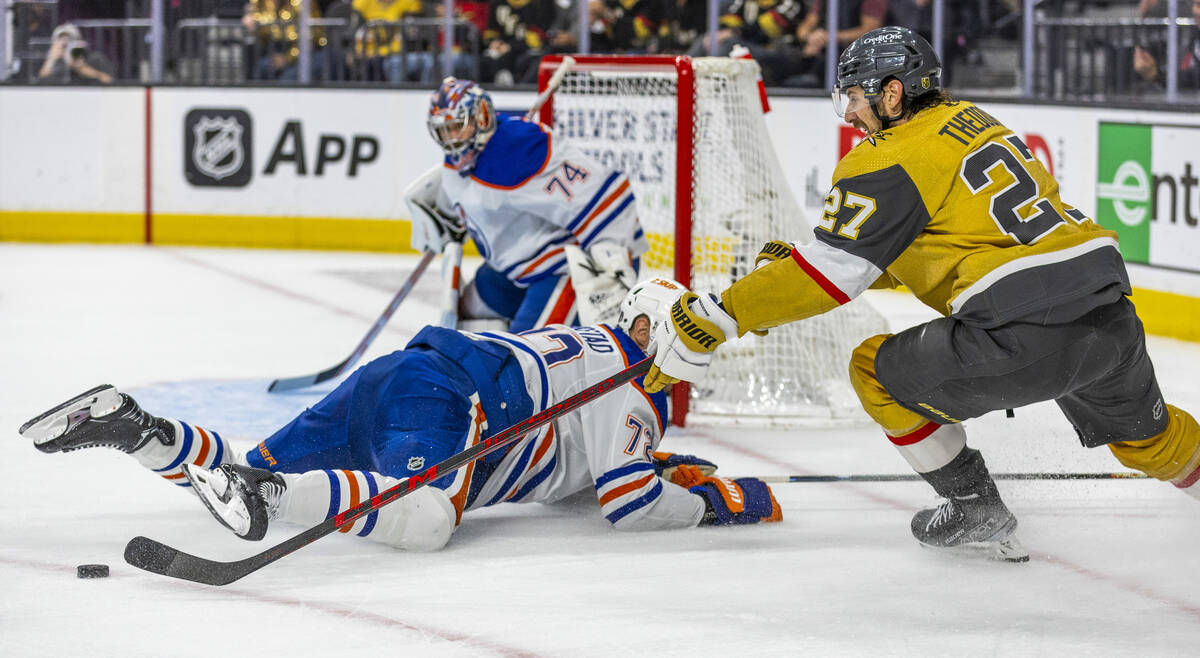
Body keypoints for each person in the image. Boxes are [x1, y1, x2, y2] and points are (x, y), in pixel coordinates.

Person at [643, 26, 1200, 562]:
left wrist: (721, 312)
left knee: (871, 370)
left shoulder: (889, 156)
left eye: (858, 97)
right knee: (1155, 443)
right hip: (1110, 318)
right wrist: (800, 269)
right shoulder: (977, 122)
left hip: (1025, 332)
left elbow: (832, 277)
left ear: (893, 92)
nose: (854, 114)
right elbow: (940, 247)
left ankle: (973, 507)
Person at [20, 280, 782, 550]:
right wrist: (718, 501)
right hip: (450, 400)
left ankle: (137, 428)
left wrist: (652, 467)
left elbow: (597, 471)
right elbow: (631, 506)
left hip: (402, 376)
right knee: (423, 520)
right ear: (653, 327)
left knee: (246, 467)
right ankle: (270, 499)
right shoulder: (630, 384)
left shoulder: (597, 353)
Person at [406, 77, 648, 333]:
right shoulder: (461, 157)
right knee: (466, 319)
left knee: (525, 359)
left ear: (482, 117)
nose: (451, 139)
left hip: (559, 268)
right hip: (514, 269)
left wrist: (613, 261)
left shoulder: (518, 149)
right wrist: (448, 216)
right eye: (444, 131)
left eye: (457, 127)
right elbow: (476, 193)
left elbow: (608, 195)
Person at [1132, 0, 1200, 93]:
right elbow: (1190, 80)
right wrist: (1155, 75)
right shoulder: (1195, 37)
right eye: (1196, 5)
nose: (1197, 11)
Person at [37, 24, 115, 85]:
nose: (65, 44)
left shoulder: (94, 58)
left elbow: (109, 81)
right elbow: (39, 82)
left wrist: (79, 67)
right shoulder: (54, 62)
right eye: (61, 40)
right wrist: (51, 60)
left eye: (69, 40)